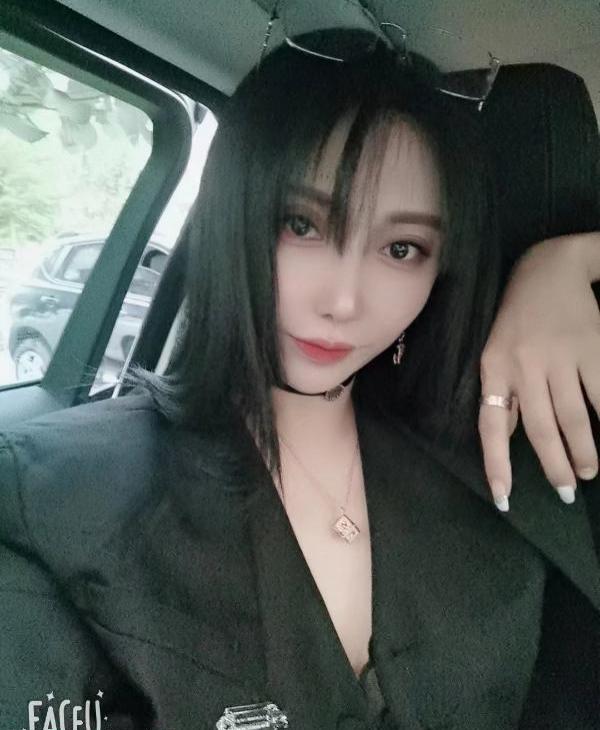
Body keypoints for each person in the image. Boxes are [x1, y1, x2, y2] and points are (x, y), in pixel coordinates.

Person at [0, 26, 598, 730]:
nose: (343, 301)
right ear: (231, 211)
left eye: (402, 248)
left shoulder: (494, 448)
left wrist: (562, 264)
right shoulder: (49, 496)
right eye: (302, 225)